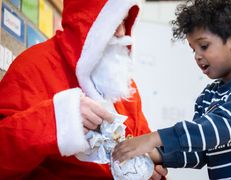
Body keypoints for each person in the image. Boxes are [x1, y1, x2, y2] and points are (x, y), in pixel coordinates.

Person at [112, 0, 231, 179]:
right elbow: (199, 150)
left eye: (204, 46)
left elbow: (224, 125)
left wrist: (155, 138)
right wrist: (157, 155)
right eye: (193, 49)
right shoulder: (207, 97)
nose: (197, 56)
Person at [0, 0, 166, 179]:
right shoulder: (33, 66)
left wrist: (150, 169)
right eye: (114, 20)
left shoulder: (123, 83)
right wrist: (56, 120)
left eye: (124, 21)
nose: (122, 32)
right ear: (89, 21)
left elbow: (145, 142)